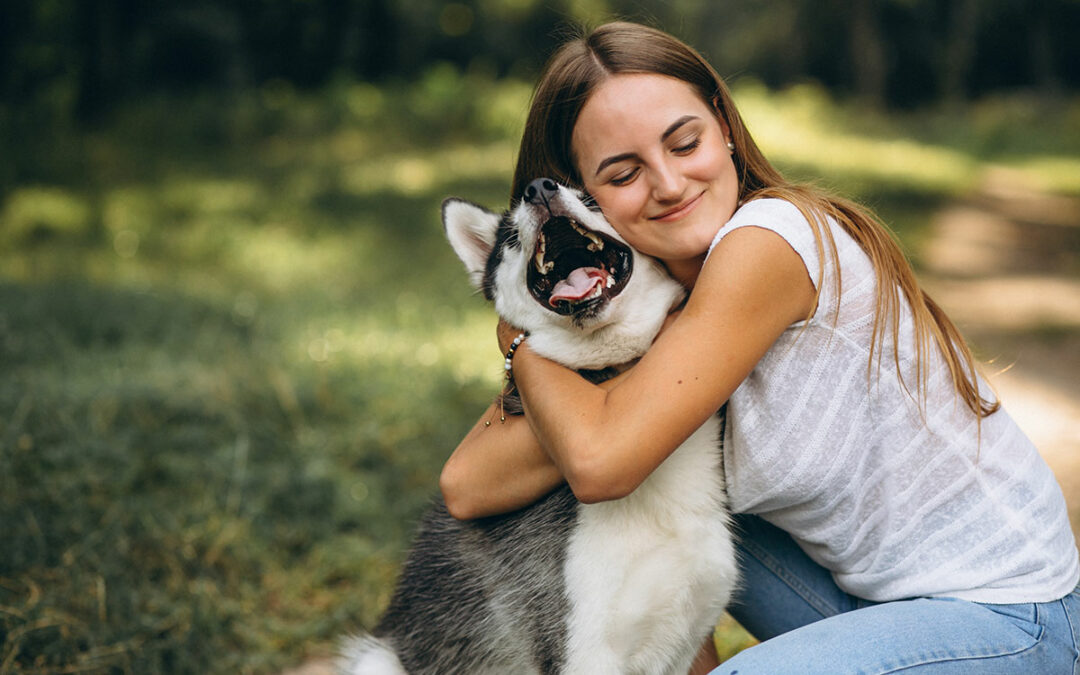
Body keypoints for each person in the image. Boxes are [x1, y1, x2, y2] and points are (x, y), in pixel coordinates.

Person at [439, 21, 1080, 674]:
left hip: (1010, 615)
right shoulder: (644, 303)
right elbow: (467, 486)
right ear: (582, 198)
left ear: (723, 125)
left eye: (684, 142)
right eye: (624, 172)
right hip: (867, 602)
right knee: (662, 497)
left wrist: (522, 335)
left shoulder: (767, 242)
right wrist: (543, 324)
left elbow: (600, 463)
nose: (668, 183)